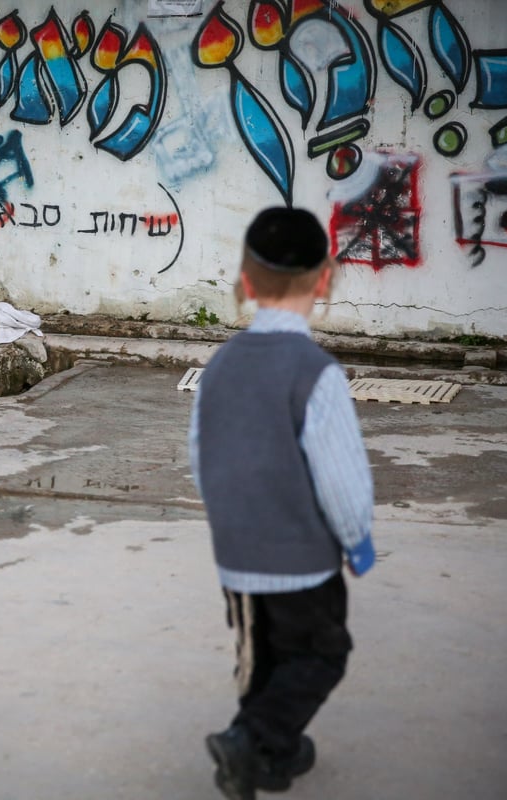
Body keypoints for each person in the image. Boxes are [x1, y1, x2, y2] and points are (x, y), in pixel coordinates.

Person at [188, 206, 376, 800]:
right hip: (302, 561)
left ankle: (273, 755)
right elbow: (340, 477)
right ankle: (249, 739)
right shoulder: (316, 373)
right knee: (321, 654)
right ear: (324, 281)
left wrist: (233, 520)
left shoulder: (217, 367)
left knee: (263, 660)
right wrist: (356, 538)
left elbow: (201, 456)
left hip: (238, 555)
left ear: (246, 282)